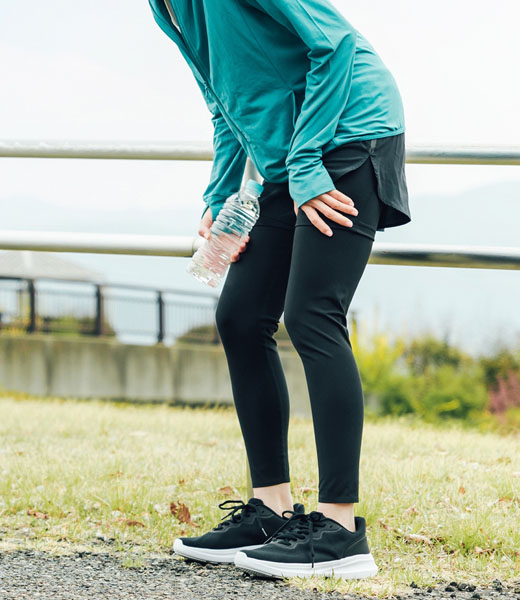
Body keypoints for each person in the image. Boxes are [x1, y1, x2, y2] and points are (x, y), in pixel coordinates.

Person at [148, 0, 411, 579]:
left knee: (312, 315)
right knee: (240, 317)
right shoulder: (165, 7)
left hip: (350, 131)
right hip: (291, 156)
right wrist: (220, 193)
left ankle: (340, 532)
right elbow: (227, 103)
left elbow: (335, 45)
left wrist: (309, 162)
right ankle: (270, 510)